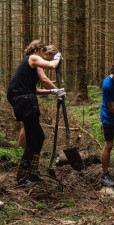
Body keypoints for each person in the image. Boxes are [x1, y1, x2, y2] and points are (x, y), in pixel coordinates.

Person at [7, 40, 65, 185]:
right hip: (25, 102)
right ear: (40, 50)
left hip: (26, 100)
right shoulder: (32, 58)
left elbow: (34, 90)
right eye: (45, 54)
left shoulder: (30, 67)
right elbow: (51, 66)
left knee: (38, 137)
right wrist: (57, 57)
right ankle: (22, 177)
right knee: (34, 138)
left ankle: (32, 172)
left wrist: (53, 91)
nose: (46, 57)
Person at [17, 45, 61, 149]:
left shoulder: (34, 62)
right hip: (23, 97)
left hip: (23, 95)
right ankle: (23, 154)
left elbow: (35, 90)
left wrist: (53, 91)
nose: (50, 60)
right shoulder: (37, 61)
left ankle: (21, 152)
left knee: (26, 126)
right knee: (31, 129)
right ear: (47, 54)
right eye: (51, 58)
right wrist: (58, 91)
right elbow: (44, 79)